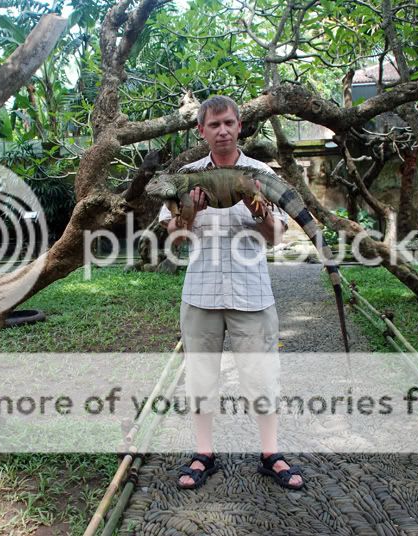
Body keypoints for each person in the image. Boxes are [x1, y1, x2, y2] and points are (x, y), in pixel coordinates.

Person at [158, 95, 304, 490]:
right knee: (200, 378)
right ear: (201, 131)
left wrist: (260, 212)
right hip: (201, 292)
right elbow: (175, 238)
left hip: (251, 293)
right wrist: (190, 213)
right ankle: (203, 453)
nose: (222, 131)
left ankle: (270, 453)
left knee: (263, 377)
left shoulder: (260, 173)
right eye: (214, 125)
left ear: (239, 126)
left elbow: (275, 237)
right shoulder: (186, 177)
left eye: (228, 123)